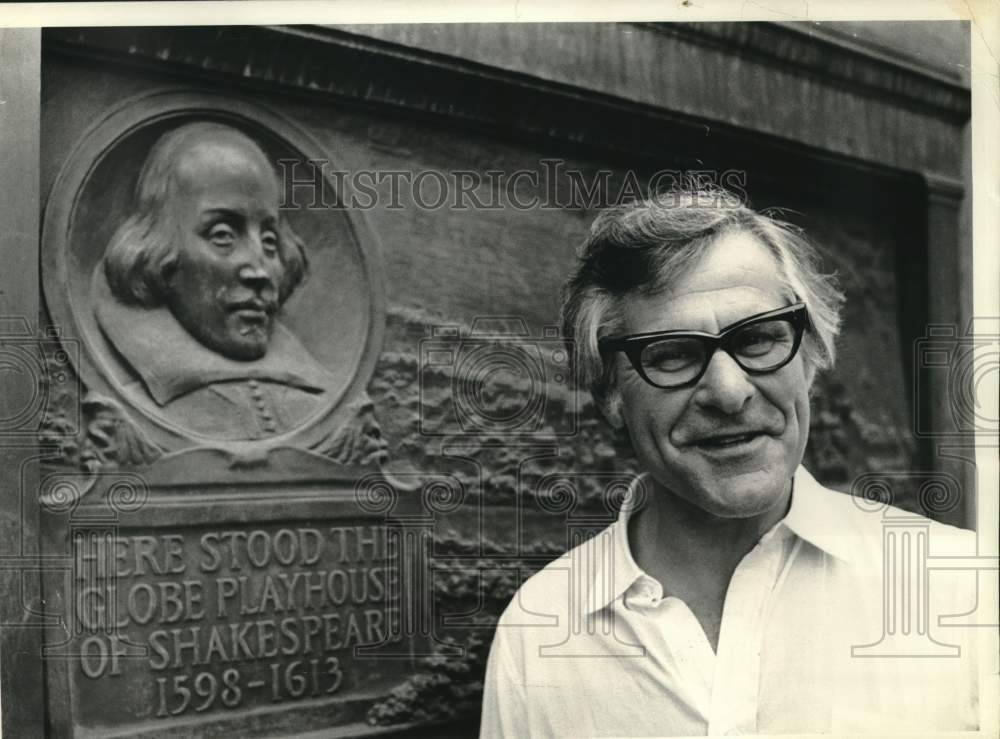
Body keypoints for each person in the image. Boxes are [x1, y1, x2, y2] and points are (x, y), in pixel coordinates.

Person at [480, 189, 980, 736]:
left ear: (810, 357)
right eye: (672, 353)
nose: (729, 391)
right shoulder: (539, 634)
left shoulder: (965, 590)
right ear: (610, 394)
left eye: (760, 338)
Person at [93, 122, 342, 440]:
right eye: (222, 235)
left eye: (269, 239)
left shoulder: (314, 398)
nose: (260, 270)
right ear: (158, 254)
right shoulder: (129, 409)